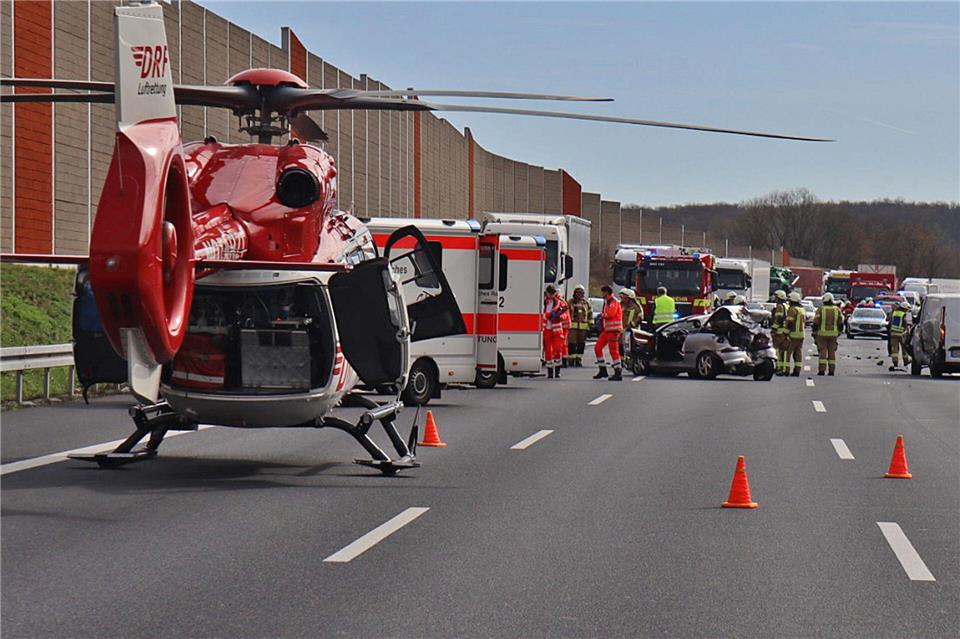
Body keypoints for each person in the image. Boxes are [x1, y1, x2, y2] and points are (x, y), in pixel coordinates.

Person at [594, 285, 624, 381]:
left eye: (603, 292)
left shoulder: (613, 302)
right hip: (607, 330)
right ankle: (602, 370)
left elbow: (611, 314)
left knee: (613, 351)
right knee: (597, 348)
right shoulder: (607, 302)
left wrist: (602, 315)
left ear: (607, 292)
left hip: (613, 331)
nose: (602, 294)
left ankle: (618, 372)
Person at [812, 292, 842, 376]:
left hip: (822, 334)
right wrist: (839, 332)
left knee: (823, 352)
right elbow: (840, 323)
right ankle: (831, 371)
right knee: (832, 352)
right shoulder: (837, 309)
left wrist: (814, 332)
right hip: (833, 335)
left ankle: (822, 370)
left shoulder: (821, 309)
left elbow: (816, 322)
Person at [542, 285, 568, 379]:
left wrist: (559, 317)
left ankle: (557, 370)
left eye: (553, 293)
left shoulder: (560, 303)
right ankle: (550, 371)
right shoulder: (544, 302)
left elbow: (565, 315)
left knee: (557, 350)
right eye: (550, 293)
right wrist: (549, 315)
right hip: (547, 329)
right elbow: (543, 314)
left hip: (557, 330)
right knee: (548, 351)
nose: (552, 295)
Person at [566, 285, 591, 368]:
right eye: (578, 293)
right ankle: (571, 359)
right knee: (572, 344)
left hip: (583, 328)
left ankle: (578, 360)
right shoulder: (569, 302)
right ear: (575, 293)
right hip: (572, 328)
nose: (579, 294)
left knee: (581, 345)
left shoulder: (586, 303)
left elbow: (590, 315)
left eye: (581, 293)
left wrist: (590, 326)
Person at [785, 291, 806, 376]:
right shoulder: (801, 309)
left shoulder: (792, 309)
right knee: (798, 353)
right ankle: (797, 370)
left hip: (793, 335)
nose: (788, 302)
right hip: (801, 335)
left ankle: (786, 370)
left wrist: (785, 333)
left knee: (788, 353)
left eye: (789, 300)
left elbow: (790, 322)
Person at [888, 300, 912, 371]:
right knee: (905, 349)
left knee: (894, 349)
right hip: (902, 333)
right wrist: (908, 331)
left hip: (893, 333)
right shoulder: (904, 314)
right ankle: (906, 362)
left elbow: (890, 321)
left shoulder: (895, 313)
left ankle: (895, 363)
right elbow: (906, 323)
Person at [771, 289, 790, 376]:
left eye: (776, 297)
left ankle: (779, 368)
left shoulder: (779, 306)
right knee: (783, 351)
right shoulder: (786, 306)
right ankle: (783, 368)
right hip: (785, 331)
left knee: (778, 351)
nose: (774, 298)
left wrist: (774, 329)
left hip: (779, 331)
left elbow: (778, 319)